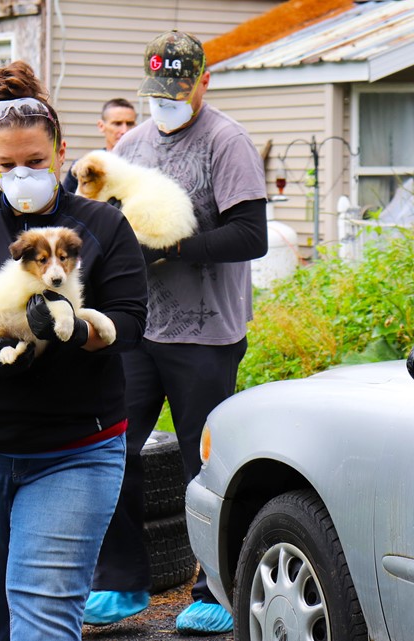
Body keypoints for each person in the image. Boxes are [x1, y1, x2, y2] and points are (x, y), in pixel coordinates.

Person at [0, 60, 148, 641]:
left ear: (61, 152)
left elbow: (130, 323)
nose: (23, 175)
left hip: (75, 450)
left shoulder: (102, 228)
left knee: (44, 612)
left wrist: (72, 327)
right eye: (7, 165)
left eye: (36, 162)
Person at [81, 29, 268, 635]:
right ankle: (122, 581)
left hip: (206, 332)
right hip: (135, 328)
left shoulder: (226, 142)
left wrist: (172, 248)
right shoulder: (131, 144)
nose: (167, 103)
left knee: (204, 463)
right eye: (157, 92)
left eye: (179, 91)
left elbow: (251, 237)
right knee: (110, 449)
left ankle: (214, 586)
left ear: (204, 82)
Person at [62, 97, 138, 193]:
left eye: (130, 124)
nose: (124, 130)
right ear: (101, 126)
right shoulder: (85, 167)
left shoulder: (142, 164)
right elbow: (65, 203)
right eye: (117, 123)